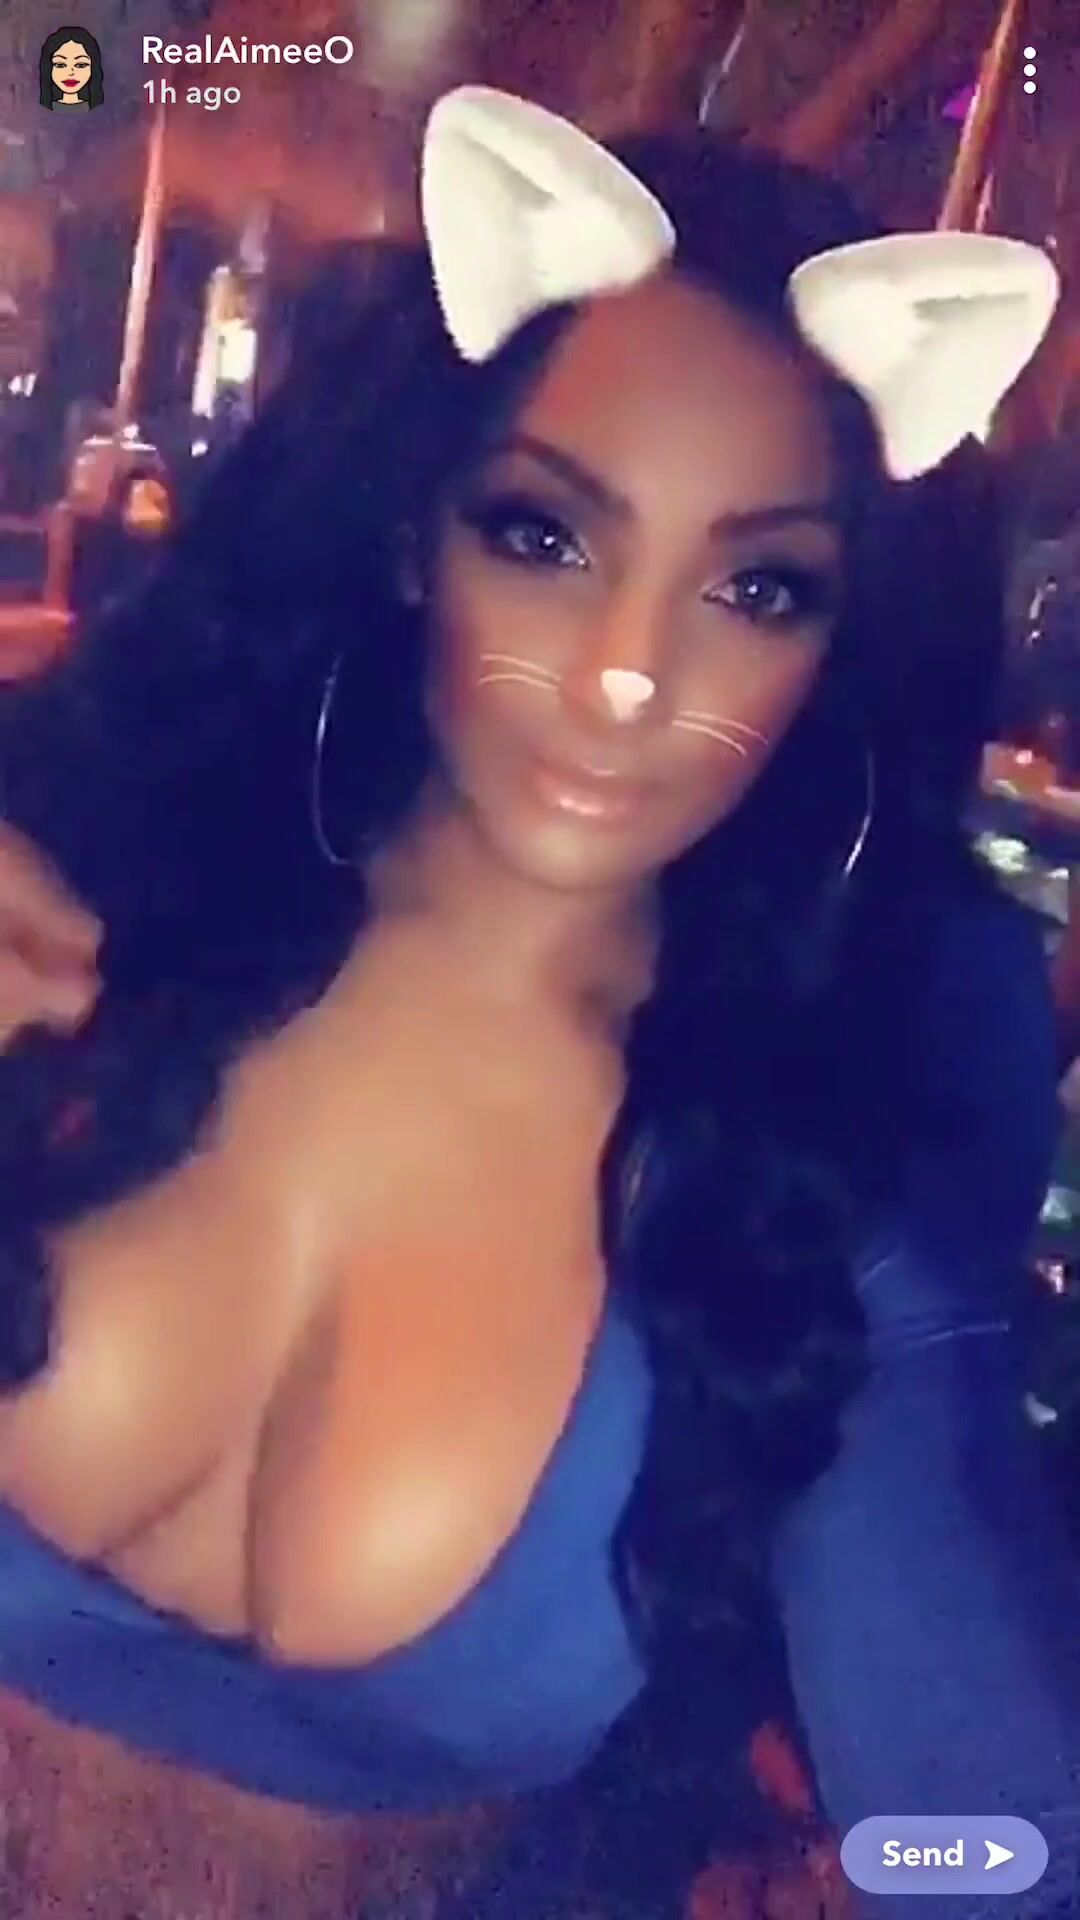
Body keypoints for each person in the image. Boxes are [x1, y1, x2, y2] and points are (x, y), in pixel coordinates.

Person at [0, 87, 1076, 1920]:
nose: (630, 674)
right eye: (548, 537)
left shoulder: (801, 1181)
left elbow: (1004, 1840)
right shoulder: (81, 868)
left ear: (838, 650)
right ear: (414, 529)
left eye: (756, 586)